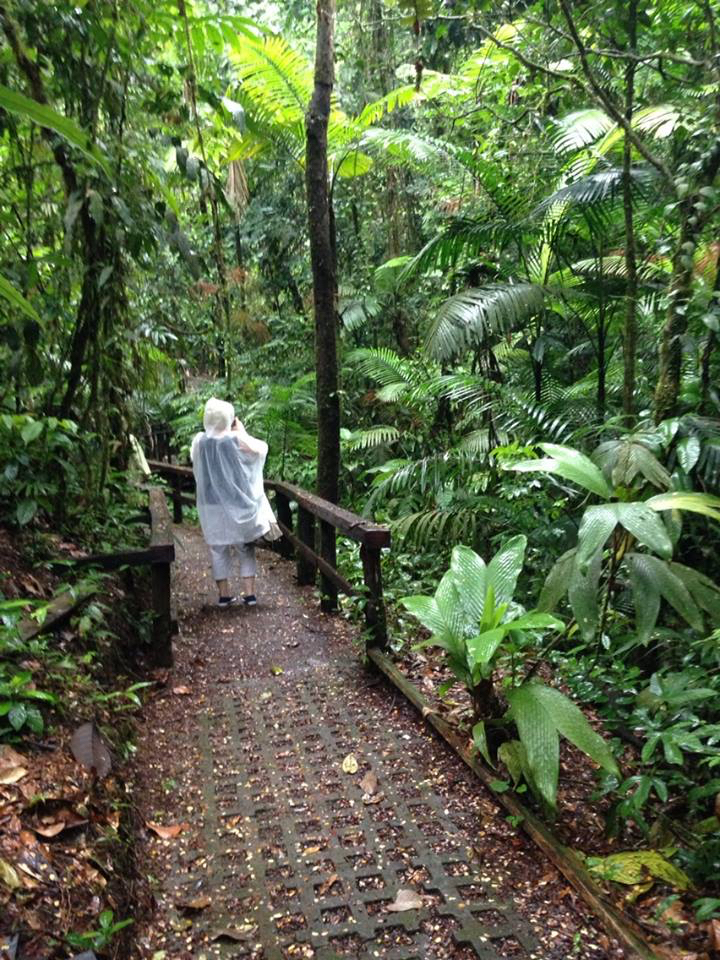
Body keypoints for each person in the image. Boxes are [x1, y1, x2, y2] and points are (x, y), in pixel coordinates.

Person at [190, 397, 276, 607]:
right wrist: (242, 431)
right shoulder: (235, 439)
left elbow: (195, 460)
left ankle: (224, 596)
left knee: (218, 548)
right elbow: (260, 450)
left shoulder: (199, 441)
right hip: (237, 503)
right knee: (244, 546)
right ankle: (250, 595)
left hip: (211, 504)